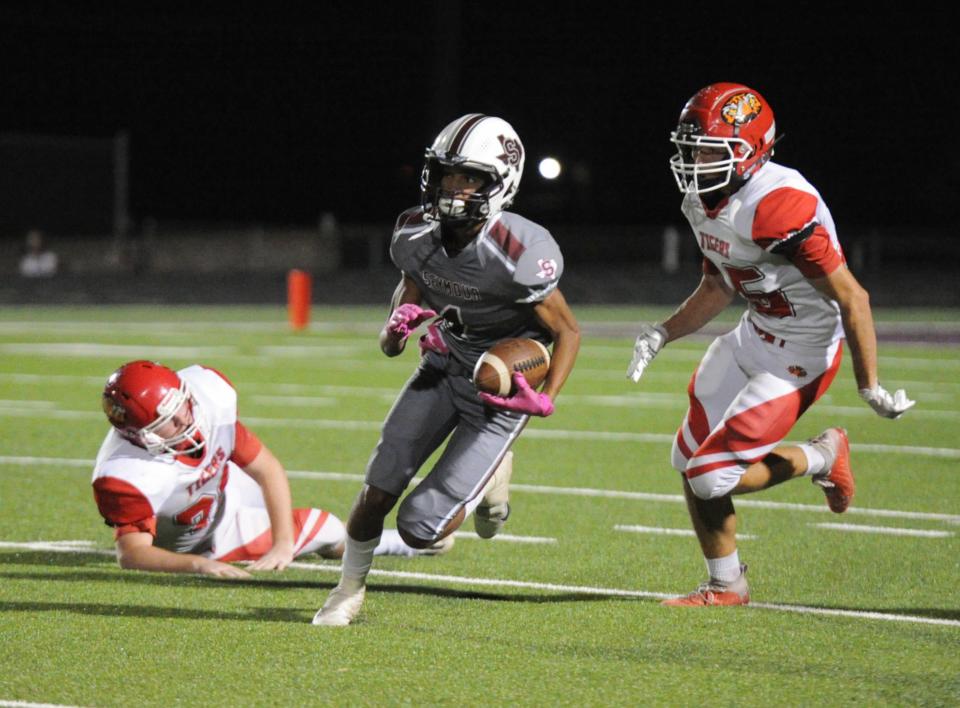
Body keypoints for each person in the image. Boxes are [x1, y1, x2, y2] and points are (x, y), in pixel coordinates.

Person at [627, 83, 915, 606]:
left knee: (711, 477)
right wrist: (664, 331)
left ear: (752, 149)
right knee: (686, 459)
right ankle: (726, 584)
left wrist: (868, 385)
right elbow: (719, 285)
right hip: (753, 334)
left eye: (712, 150)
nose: (696, 161)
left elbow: (854, 297)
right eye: (692, 148)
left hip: (800, 354)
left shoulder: (778, 205)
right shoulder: (701, 199)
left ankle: (822, 455)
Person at [313, 113, 581, 626]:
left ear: (501, 183)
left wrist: (546, 398)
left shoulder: (521, 250)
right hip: (441, 364)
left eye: (469, 177)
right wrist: (395, 330)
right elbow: (398, 324)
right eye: (447, 173)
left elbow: (568, 331)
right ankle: (347, 590)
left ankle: (488, 475)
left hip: (502, 383)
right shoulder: (415, 233)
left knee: (419, 529)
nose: (452, 187)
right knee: (377, 488)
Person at [92, 360, 451, 578]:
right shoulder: (127, 474)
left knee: (284, 518)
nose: (187, 418)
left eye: (183, 405)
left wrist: (283, 544)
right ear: (140, 435)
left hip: (222, 489)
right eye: (168, 421)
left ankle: (299, 536)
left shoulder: (208, 398)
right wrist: (197, 566)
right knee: (324, 526)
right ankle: (402, 544)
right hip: (202, 541)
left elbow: (266, 468)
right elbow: (132, 553)